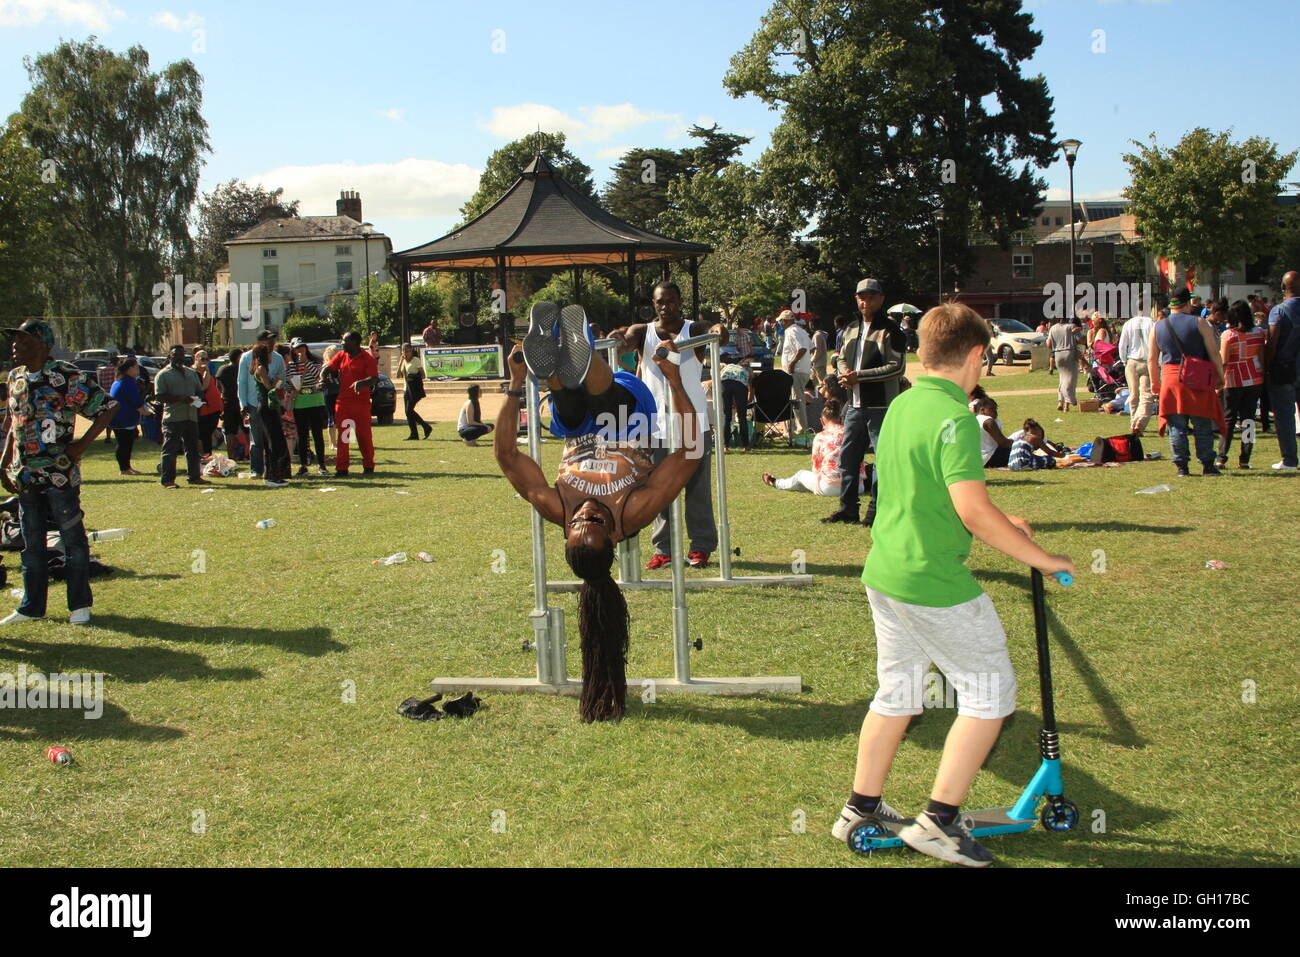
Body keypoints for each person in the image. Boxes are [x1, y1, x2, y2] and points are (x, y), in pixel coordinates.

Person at [833, 301, 1075, 868]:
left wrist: (1005, 523)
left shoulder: (902, 406)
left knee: (897, 694)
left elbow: (921, 492)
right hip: (931, 581)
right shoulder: (957, 418)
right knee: (991, 697)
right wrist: (1039, 556)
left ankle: (860, 807)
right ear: (974, 355)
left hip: (887, 572)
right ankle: (939, 822)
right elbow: (970, 509)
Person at [497, 308, 700, 722]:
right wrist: (675, 382)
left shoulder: (557, 506)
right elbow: (689, 453)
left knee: (570, 406)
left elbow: (506, 455)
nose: (586, 514)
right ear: (612, 539)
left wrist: (517, 384)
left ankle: (557, 367)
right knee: (607, 399)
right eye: (596, 524)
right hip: (628, 419)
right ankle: (581, 357)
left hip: (574, 429)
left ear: (567, 529)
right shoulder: (635, 511)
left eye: (577, 524)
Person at [0, 319, 119, 627]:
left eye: (22, 341)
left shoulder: (66, 376)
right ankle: (31, 606)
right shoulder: (15, 378)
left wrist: (80, 446)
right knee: (32, 542)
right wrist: (3, 462)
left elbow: (107, 406)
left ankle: (79, 604)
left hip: (58, 475)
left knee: (72, 538)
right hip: (25, 475)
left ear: (41, 345)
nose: (15, 346)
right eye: (14, 341)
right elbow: (13, 425)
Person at [609, 281, 726, 570]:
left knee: (698, 487)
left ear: (679, 301)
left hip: (692, 421)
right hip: (656, 425)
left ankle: (700, 547)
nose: (666, 307)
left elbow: (714, 332)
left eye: (671, 301)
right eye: (660, 302)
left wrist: (718, 331)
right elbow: (623, 339)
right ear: (654, 302)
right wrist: (617, 338)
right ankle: (665, 549)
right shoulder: (643, 332)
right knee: (657, 488)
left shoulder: (693, 330)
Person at [826, 278, 907, 527]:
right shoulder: (850, 328)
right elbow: (838, 357)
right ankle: (848, 509)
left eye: (871, 296)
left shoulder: (891, 330)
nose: (865, 301)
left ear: (881, 299)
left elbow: (897, 367)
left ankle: (875, 512)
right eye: (861, 296)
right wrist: (844, 373)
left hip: (881, 405)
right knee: (849, 457)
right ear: (856, 299)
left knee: (882, 460)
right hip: (854, 405)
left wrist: (858, 376)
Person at [1149, 287, 1226, 477]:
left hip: (1170, 379)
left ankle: (1181, 466)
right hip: (1197, 378)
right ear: (1188, 303)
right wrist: (1220, 375)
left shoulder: (1158, 326)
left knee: (1176, 426)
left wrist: (1154, 382)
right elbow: (1214, 352)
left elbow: (1152, 358)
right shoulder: (1200, 322)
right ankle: (1208, 464)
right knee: (1202, 424)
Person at [761, 398, 866, 495]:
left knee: (801, 475)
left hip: (830, 487)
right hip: (857, 486)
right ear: (839, 418)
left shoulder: (820, 437)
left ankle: (776, 482)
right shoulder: (850, 433)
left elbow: (816, 467)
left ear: (822, 420)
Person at [1216, 300, 1267, 470]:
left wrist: (1218, 382)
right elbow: (1261, 356)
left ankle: (1221, 457)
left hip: (1233, 379)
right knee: (1249, 420)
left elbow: (1224, 361)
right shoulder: (1259, 333)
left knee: (1228, 420)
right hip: (1254, 378)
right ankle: (1245, 459)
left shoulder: (1228, 335)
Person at [154, 345, 210, 489]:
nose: (179, 358)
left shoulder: (191, 373)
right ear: (169, 357)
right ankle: (167, 480)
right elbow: (159, 397)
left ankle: (194, 477)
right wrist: (180, 399)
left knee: (192, 449)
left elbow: (200, 390)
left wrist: (198, 399)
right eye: (175, 355)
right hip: (173, 417)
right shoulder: (163, 375)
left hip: (191, 416)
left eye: (181, 355)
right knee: (170, 450)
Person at [326, 331, 379, 477]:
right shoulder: (341, 356)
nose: (342, 343)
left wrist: (362, 382)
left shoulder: (367, 358)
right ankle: (342, 468)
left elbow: (374, 379)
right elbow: (328, 368)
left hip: (361, 404)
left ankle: (368, 465)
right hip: (343, 404)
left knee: (364, 436)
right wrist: (322, 377)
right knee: (344, 436)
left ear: (354, 342)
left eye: (345, 341)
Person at [1263, 270, 1300, 471]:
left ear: (1283, 288)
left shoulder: (1279, 311)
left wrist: (1268, 366)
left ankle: (1290, 460)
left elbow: (1272, 343)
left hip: (1283, 369)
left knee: (1285, 415)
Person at [238, 330, 285, 478]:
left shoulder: (277, 357)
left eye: (273, 340)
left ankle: (272, 469)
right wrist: (243, 403)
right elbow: (242, 381)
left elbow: (282, 378)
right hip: (254, 402)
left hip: (271, 403)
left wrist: (280, 399)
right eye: (268, 340)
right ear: (260, 342)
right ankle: (256, 470)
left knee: (272, 438)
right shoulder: (247, 357)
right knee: (257, 439)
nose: (271, 343)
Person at [249, 342, 290, 487]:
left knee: (270, 441)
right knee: (274, 441)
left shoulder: (262, 368)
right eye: (269, 353)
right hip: (266, 408)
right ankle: (274, 476)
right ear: (263, 355)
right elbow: (269, 388)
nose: (271, 355)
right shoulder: (261, 368)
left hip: (268, 407)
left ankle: (269, 473)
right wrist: (277, 383)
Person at [287, 338, 328, 475]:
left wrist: (306, 363)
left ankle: (322, 465)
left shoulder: (315, 362)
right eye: (298, 348)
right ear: (293, 349)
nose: (301, 350)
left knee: (318, 435)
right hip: (300, 403)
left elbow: (319, 376)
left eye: (303, 347)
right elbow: (290, 383)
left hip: (316, 402)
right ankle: (303, 465)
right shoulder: (291, 366)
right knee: (303, 436)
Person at [109, 357, 152, 474]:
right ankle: (124, 469)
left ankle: (127, 467)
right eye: (136, 367)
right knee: (124, 444)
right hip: (123, 418)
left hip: (119, 418)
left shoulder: (118, 381)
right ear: (130, 368)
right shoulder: (128, 382)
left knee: (126, 443)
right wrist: (148, 413)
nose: (137, 369)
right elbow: (136, 402)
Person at [1118, 307, 1155, 434]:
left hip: (1132, 361)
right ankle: (1140, 422)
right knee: (1146, 395)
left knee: (1133, 394)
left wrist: (1124, 360)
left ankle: (1133, 421)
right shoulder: (1151, 323)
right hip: (1147, 361)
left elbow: (1122, 345)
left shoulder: (1128, 324)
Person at [779, 309, 813, 433]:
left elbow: (802, 349)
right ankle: (791, 430)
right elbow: (812, 347)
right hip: (802, 370)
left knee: (796, 401)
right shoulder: (801, 331)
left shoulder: (792, 331)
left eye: (781, 321)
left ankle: (800, 430)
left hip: (796, 371)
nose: (780, 324)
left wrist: (792, 363)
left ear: (785, 321)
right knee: (795, 400)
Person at [1048, 317, 1084, 411]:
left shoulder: (1053, 328)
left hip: (1057, 354)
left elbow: (1048, 344)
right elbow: (1080, 340)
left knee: (1062, 378)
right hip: (1069, 352)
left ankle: (1060, 401)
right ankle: (1067, 404)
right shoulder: (1071, 327)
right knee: (1070, 379)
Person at [398, 343, 432, 441]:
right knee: (408, 412)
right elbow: (398, 375)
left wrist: (413, 377)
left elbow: (423, 375)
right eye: (405, 351)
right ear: (402, 352)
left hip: (414, 390)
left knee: (409, 411)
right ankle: (414, 434)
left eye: (409, 351)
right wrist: (401, 362)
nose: (407, 353)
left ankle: (426, 427)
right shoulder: (403, 361)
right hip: (406, 389)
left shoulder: (416, 360)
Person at [718, 354, 752, 452]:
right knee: (742, 417)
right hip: (740, 385)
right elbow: (750, 386)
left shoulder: (727, 367)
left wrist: (731, 401)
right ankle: (746, 446)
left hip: (725, 382)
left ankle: (725, 446)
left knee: (727, 417)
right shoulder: (747, 370)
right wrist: (748, 400)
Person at [193, 349, 222, 455]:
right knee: (202, 434)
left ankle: (207, 455)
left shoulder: (208, 371)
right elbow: (203, 388)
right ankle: (203, 456)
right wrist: (206, 372)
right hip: (202, 409)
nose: (205, 361)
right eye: (202, 358)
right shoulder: (194, 373)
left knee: (208, 433)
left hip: (214, 408)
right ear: (196, 359)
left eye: (207, 359)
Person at [217, 348, 244, 459]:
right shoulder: (241, 369)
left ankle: (231, 456)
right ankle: (249, 453)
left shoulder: (222, 369)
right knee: (248, 429)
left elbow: (218, 386)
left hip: (227, 402)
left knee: (229, 431)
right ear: (238, 358)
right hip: (241, 402)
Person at [973, 397, 1014, 468]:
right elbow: (1003, 443)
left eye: (996, 409)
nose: (995, 412)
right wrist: (1018, 443)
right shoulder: (988, 421)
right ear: (982, 410)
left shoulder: (973, 419)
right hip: (990, 458)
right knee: (1021, 449)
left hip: (978, 460)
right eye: (992, 409)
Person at [322, 344, 341, 453]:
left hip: (339, 392)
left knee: (341, 417)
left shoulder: (338, 366)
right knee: (332, 417)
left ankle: (343, 441)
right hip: (330, 394)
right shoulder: (327, 366)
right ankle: (332, 443)